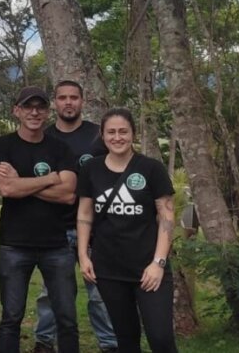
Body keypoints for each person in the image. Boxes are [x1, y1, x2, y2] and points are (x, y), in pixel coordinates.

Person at [0, 86, 79, 353]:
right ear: (17, 110)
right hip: (14, 245)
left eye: (40, 107)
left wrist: (22, 183)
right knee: (11, 318)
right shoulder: (3, 145)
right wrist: (50, 178)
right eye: (28, 106)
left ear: (48, 112)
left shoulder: (60, 148)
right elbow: (7, 189)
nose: (34, 112)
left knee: (67, 318)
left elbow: (68, 195)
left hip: (56, 245)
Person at [78, 109, 177, 353]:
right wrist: (83, 255)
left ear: (133, 133)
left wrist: (159, 263)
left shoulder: (151, 168)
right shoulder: (91, 169)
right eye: (111, 132)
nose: (117, 137)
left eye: (123, 131)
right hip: (109, 268)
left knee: (161, 338)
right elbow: (85, 213)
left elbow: (166, 216)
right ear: (102, 135)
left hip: (148, 268)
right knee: (126, 339)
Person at [33, 81, 118, 353]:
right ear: (55, 103)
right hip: (53, 228)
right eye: (62, 98)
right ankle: (44, 342)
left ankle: (110, 344)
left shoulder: (98, 137)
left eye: (74, 97)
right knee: (51, 293)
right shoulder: (42, 138)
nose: (68, 102)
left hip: (95, 229)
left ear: (82, 101)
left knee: (99, 293)